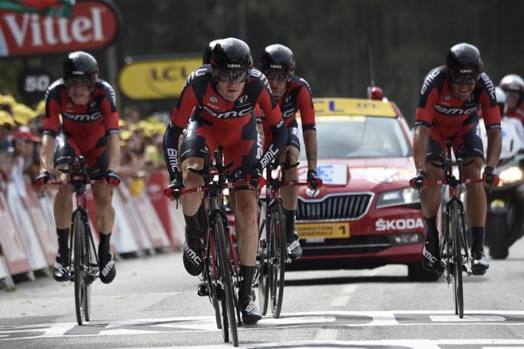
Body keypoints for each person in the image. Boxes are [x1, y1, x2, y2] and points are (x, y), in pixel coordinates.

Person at [163, 37, 287, 325]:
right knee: (192, 173)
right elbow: (172, 133)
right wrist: (175, 176)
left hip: (241, 139)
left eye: (238, 76)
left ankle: (246, 294)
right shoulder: (197, 83)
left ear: (248, 73)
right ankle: (194, 234)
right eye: (225, 76)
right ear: (212, 72)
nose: (232, 84)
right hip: (204, 131)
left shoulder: (258, 84)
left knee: (248, 207)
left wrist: (261, 165)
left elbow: (278, 132)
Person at [412, 43, 501, 276]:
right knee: (433, 175)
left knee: (474, 176)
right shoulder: (434, 82)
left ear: (477, 77)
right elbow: (420, 131)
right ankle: (432, 238)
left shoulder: (484, 84)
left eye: (470, 82)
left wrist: (490, 168)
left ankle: (478, 249)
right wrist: (419, 170)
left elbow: (494, 131)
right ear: (449, 75)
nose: (464, 87)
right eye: (459, 82)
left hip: (464, 127)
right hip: (434, 130)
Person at [34, 51, 121, 284]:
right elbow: (49, 135)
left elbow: (114, 135)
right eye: (72, 83)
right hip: (69, 142)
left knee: (103, 194)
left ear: (93, 83)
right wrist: (45, 168)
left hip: (98, 146)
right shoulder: (55, 92)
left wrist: (113, 168)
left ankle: (104, 250)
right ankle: (63, 252)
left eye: (84, 83)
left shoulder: (105, 93)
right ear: (65, 82)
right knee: (64, 182)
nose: (78, 89)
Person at [258, 44, 321, 260]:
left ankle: (289, 229)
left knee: (290, 157)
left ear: (290, 75)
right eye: (269, 75)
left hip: (285, 131)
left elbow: (309, 128)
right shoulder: (255, 87)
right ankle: (256, 236)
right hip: (258, 133)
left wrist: (312, 169)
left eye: (281, 76)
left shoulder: (300, 88)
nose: (274, 82)